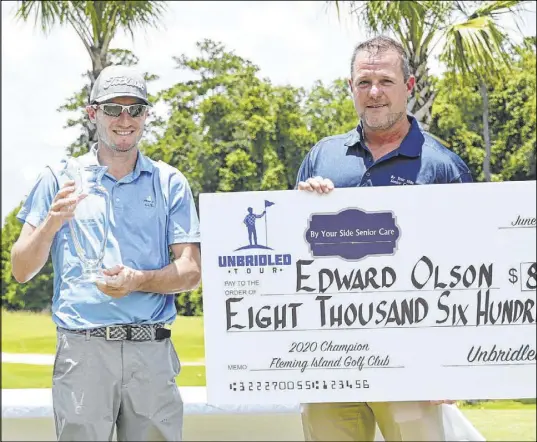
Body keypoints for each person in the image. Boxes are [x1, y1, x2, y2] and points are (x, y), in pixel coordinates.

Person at [11, 65, 201, 441]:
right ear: (93, 112)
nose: (125, 119)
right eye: (114, 108)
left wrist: (139, 281)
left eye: (135, 108)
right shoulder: (58, 178)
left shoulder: (170, 182)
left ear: (147, 114)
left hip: (152, 350)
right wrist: (51, 223)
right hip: (83, 351)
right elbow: (20, 269)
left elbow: (191, 270)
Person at [296, 36, 472, 441]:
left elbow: (470, 268)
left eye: (385, 81)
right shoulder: (323, 157)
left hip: (414, 360)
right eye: (363, 82)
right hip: (330, 359)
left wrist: (456, 365)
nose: (374, 93)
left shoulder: (443, 166)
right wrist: (303, 208)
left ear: (408, 87)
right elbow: (292, 257)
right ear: (350, 87)